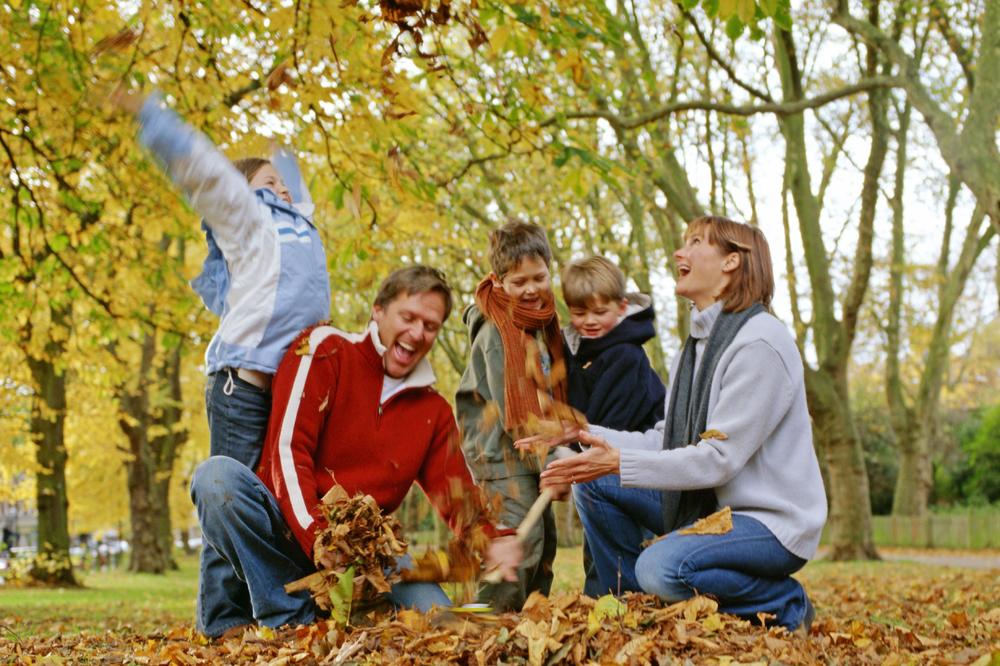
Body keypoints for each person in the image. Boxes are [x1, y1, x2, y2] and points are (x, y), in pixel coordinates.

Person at [519, 216, 826, 634]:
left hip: (770, 523)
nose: (679, 253)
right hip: (711, 508)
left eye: (696, 242)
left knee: (661, 569)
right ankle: (621, 607)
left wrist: (618, 464)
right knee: (592, 482)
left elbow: (719, 459)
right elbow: (666, 440)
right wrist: (585, 434)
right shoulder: (696, 347)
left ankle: (784, 601)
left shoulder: (759, 343)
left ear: (731, 262)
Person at [190, 266, 521, 639]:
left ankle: (343, 613)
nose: (417, 333)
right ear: (378, 310)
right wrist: (322, 542)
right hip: (289, 530)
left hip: (368, 556)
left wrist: (493, 539)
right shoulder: (323, 349)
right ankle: (289, 617)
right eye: (408, 317)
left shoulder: (433, 412)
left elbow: (455, 493)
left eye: (430, 326)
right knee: (215, 479)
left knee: (445, 624)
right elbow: (288, 453)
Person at [111, 88, 331, 471]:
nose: (281, 190)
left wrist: (282, 151)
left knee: (276, 498)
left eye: (283, 184)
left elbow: (296, 190)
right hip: (244, 389)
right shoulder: (249, 219)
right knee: (232, 489)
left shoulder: (301, 222)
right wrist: (149, 114)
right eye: (269, 183)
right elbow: (206, 173)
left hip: (292, 388)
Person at [455, 221, 572, 612]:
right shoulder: (498, 332)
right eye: (519, 281)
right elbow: (514, 413)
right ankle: (486, 627)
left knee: (543, 544)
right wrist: (554, 457)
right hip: (499, 455)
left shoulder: (540, 326)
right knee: (518, 547)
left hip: (525, 452)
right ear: (499, 281)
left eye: (539, 277)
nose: (531, 289)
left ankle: (529, 625)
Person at [561, 256, 666, 596]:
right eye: (579, 313)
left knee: (594, 484)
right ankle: (601, 594)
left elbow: (606, 428)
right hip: (613, 459)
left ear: (621, 308)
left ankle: (625, 597)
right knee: (596, 518)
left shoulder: (625, 357)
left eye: (599, 312)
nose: (589, 322)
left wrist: (574, 449)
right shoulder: (582, 354)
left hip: (648, 469)